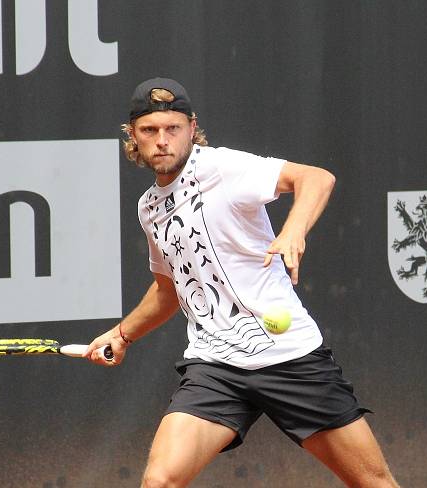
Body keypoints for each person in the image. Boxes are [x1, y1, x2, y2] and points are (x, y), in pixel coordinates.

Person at [85, 77, 400, 488]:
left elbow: (317, 178)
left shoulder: (223, 167)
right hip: (215, 366)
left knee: (372, 482)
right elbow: (169, 289)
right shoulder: (150, 208)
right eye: (150, 130)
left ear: (191, 129)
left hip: (289, 358)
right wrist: (123, 334)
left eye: (173, 129)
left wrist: (293, 232)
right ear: (134, 137)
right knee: (160, 480)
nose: (162, 140)